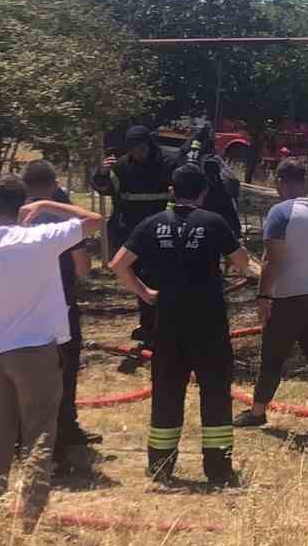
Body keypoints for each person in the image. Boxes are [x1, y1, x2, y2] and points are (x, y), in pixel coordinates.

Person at [0, 177, 103, 531]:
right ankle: (31, 516)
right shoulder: (39, 238)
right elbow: (94, 220)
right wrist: (46, 205)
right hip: (35, 351)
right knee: (39, 433)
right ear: (21, 206)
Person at [111, 164, 250, 487]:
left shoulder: (152, 224)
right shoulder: (213, 223)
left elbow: (118, 264)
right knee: (215, 391)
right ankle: (218, 468)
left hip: (168, 321)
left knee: (167, 391)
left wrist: (145, 293)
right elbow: (243, 263)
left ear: (172, 191)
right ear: (203, 192)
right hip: (209, 321)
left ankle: (161, 465)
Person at [232, 158, 308, 432]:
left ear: (279, 182)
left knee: (273, 356)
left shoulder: (280, 213)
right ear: (303, 181)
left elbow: (273, 261)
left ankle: (257, 411)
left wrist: (263, 296)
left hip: (288, 297)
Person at [21, 160, 102, 459]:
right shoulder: (60, 214)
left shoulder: (14, 214)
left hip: (23, 303)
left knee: (27, 370)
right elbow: (81, 265)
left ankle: (26, 432)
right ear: (54, 184)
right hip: (61, 300)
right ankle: (65, 427)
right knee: (64, 368)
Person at [92, 126, 177, 346]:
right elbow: (103, 188)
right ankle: (148, 326)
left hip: (164, 229)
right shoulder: (120, 166)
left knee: (162, 278)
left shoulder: (167, 163)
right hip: (131, 230)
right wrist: (101, 173)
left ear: (149, 145)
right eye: (132, 149)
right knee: (140, 279)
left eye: (140, 148)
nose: (137, 153)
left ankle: (164, 326)